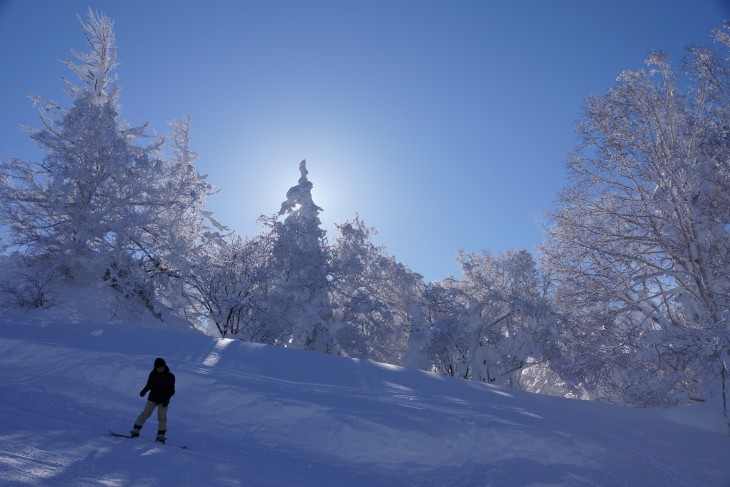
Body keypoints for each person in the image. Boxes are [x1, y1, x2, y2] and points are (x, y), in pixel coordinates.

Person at [131, 357, 176, 442]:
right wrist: (144, 391)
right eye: (159, 367)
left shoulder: (170, 376)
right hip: (153, 398)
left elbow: (172, 390)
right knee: (146, 413)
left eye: (162, 367)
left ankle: (160, 435)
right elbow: (149, 384)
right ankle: (135, 430)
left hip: (163, 400)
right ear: (156, 368)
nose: (160, 369)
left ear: (165, 366)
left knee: (162, 417)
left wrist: (167, 399)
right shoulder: (153, 374)